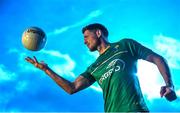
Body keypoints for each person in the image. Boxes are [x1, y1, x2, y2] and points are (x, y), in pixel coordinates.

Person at [25, 23, 176, 112]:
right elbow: (72, 88)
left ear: (98, 33)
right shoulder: (94, 67)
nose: (84, 41)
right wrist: (46, 70)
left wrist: (169, 85)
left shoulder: (124, 45)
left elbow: (158, 58)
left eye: (86, 37)